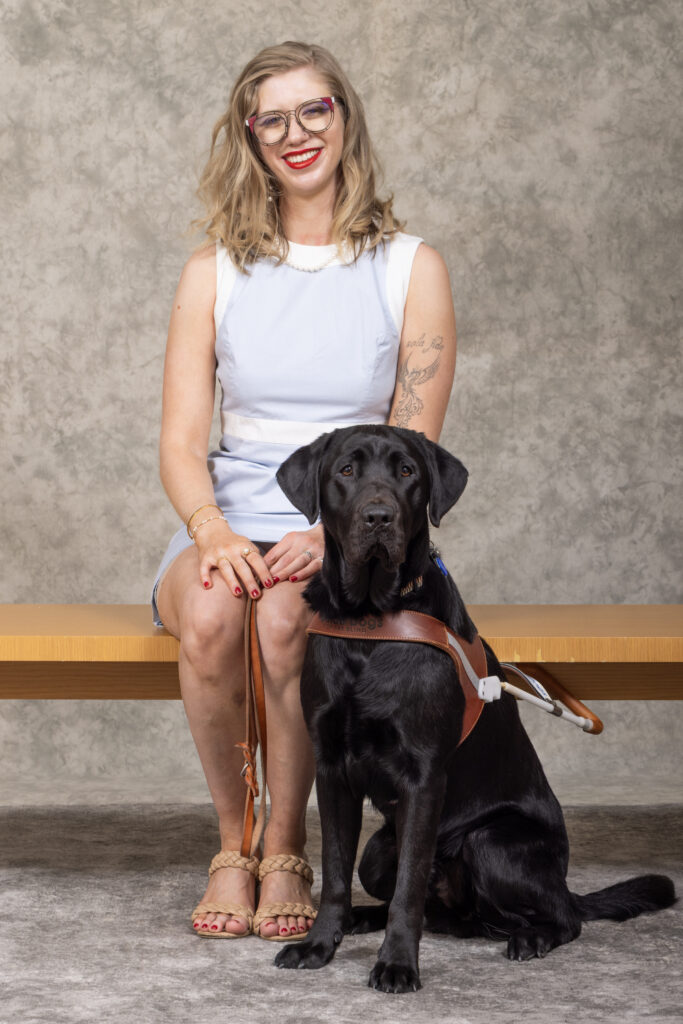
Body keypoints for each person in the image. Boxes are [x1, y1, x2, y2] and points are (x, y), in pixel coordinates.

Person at [151, 40, 457, 940]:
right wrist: (211, 534)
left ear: (343, 116)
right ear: (249, 139)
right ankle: (232, 844)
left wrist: (327, 539)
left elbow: (411, 450)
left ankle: (287, 850)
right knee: (211, 615)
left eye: (312, 110)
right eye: (270, 118)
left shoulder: (411, 267)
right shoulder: (214, 270)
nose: (295, 134)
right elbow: (177, 444)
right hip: (230, 514)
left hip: (359, 526)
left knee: (289, 615)